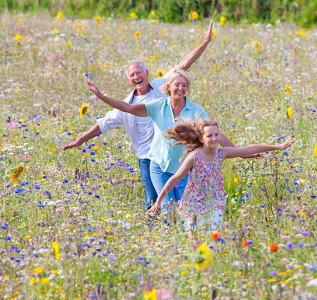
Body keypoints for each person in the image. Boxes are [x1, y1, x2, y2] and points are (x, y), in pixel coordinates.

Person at [63, 21, 215, 209]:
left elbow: (183, 65)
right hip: (147, 158)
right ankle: (156, 230)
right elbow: (102, 125)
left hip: (171, 152)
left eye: (139, 72)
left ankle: (176, 227)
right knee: (153, 200)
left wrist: (206, 41)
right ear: (129, 80)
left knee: (177, 200)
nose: (136, 77)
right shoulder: (127, 105)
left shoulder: (162, 88)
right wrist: (79, 140)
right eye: (132, 75)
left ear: (147, 73)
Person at [85, 69, 235, 206]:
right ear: (168, 86)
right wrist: (101, 96)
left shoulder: (195, 110)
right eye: (177, 85)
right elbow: (128, 108)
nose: (181, 89)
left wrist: (240, 152)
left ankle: (183, 235)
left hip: (183, 168)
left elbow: (214, 133)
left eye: (184, 85)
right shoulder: (158, 106)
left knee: (185, 208)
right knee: (167, 207)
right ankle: (168, 231)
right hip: (159, 166)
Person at [148, 117, 294, 229]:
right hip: (194, 204)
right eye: (209, 135)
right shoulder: (194, 157)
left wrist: (278, 147)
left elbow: (249, 149)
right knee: (194, 239)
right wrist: (159, 202)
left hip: (215, 202)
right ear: (201, 138)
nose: (214, 138)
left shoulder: (222, 153)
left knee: (214, 238)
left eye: (216, 134)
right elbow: (175, 179)